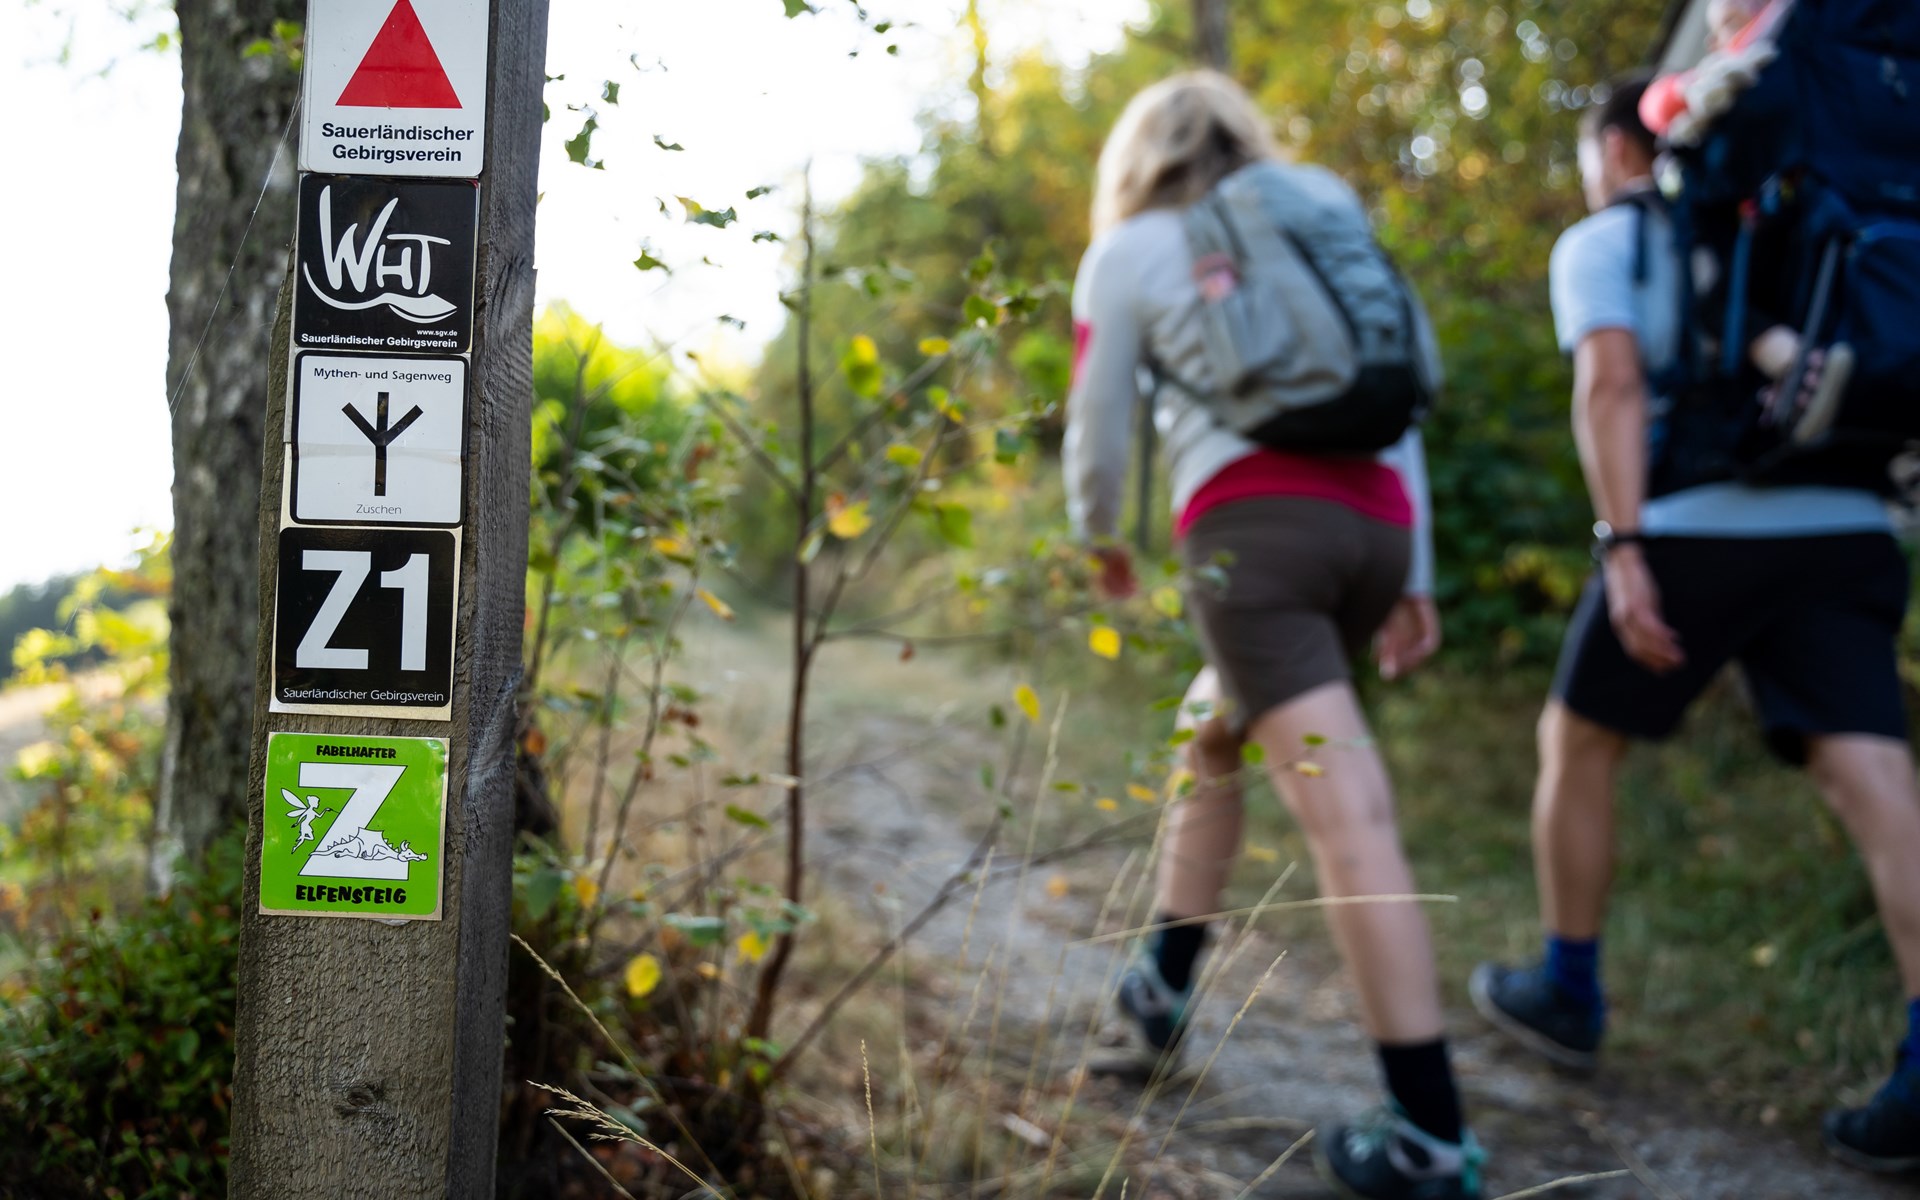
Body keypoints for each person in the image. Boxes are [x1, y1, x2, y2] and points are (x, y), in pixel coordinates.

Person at [1469, 76, 1920, 1175]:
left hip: (1692, 528)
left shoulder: (1610, 240)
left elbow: (1613, 388)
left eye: (1592, 156)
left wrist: (1625, 550)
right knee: (1874, 780)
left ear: (1626, 148)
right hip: (1849, 522)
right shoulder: (1817, 221)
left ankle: (1568, 991)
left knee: (1579, 739)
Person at [1065, 70, 1482, 1200]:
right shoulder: (1318, 210)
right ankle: (1160, 991)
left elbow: (1099, 418)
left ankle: (1429, 1141)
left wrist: (1100, 537)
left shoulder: (1130, 249)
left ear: (1135, 157)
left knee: (1352, 822)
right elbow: (1390, 385)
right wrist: (1415, 573)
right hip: (1375, 529)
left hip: (1257, 544)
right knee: (1211, 732)